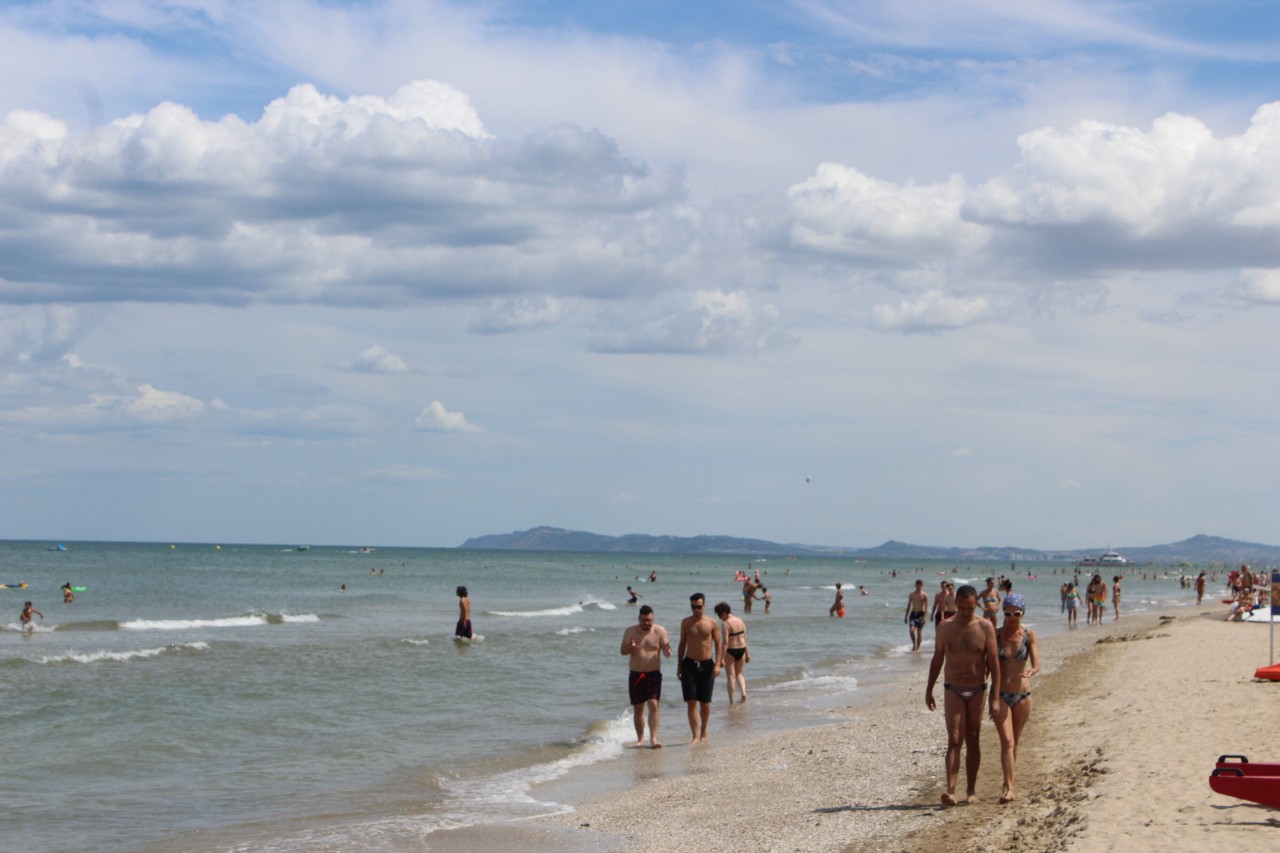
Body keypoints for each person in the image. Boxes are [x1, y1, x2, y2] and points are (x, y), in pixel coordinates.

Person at [925, 585, 1000, 806]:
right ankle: (951, 791)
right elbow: (937, 659)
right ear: (955, 604)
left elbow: (994, 664)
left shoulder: (985, 627)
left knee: (973, 738)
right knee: (955, 739)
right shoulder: (945, 627)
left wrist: (995, 697)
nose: (966, 612)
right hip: (953, 689)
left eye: (969, 607)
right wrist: (929, 689)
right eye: (961, 607)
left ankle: (971, 790)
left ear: (976, 604)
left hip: (977, 689)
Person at [992, 594, 1040, 804]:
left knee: (1015, 742)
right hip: (1001, 694)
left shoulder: (1029, 635)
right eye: (1008, 613)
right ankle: (1010, 788)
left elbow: (1037, 661)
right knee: (1007, 741)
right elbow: (988, 666)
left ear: (1023, 614)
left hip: (1023, 695)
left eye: (1016, 614)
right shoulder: (995, 635)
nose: (1012, 617)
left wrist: (1032, 670)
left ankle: (1008, 781)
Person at [620, 604, 672, 748]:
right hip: (636, 673)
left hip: (654, 674)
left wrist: (668, 652)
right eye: (644, 620)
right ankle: (640, 739)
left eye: (649, 620)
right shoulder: (630, 631)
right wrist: (632, 648)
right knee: (638, 708)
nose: (646, 623)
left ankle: (654, 739)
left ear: (653, 618)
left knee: (654, 704)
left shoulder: (660, 631)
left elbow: (667, 651)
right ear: (639, 618)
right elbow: (622, 651)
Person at [677, 593, 722, 744]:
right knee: (691, 701)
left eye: (698, 607)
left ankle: (704, 730)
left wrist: (717, 664)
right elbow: (682, 644)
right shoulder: (686, 622)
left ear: (704, 605)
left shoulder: (712, 622)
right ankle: (695, 735)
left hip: (707, 665)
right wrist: (679, 665)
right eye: (693, 607)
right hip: (689, 664)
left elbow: (718, 645)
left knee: (705, 702)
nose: (696, 610)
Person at [714, 602, 749, 703]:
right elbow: (745, 639)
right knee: (739, 674)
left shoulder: (726, 624)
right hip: (742, 649)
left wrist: (721, 659)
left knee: (730, 676)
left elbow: (725, 643)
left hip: (731, 650)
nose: (720, 617)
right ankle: (743, 692)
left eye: (720, 615)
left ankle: (731, 701)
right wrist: (747, 654)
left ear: (725, 612)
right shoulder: (740, 620)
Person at [905, 579, 929, 652]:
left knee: (919, 632)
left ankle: (918, 647)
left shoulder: (924, 595)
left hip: (921, 614)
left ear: (921, 586)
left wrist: (924, 617)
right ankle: (914, 644)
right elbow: (909, 605)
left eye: (919, 585)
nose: (918, 587)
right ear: (915, 585)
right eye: (917, 585)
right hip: (913, 614)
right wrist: (906, 616)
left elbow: (926, 607)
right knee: (911, 631)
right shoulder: (911, 594)